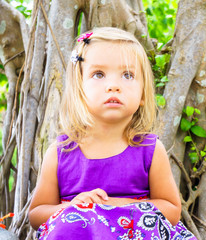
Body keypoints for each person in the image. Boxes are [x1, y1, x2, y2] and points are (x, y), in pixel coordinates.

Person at [28, 27, 196, 240]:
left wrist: (124, 206)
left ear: (143, 94)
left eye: (127, 75)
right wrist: (74, 207)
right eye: (98, 74)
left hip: (136, 233)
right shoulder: (61, 152)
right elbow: (36, 215)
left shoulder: (149, 150)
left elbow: (171, 211)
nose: (113, 86)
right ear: (79, 89)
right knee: (68, 224)